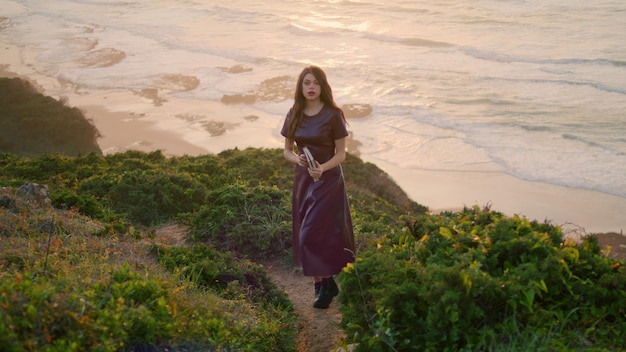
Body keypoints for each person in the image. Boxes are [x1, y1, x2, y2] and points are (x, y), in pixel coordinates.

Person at [280, 65, 355, 309]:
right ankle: (323, 286)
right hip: (304, 179)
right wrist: (298, 159)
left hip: (328, 181)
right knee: (308, 234)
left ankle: (326, 284)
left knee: (311, 234)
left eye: (315, 83)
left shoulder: (333, 114)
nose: (311, 87)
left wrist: (322, 168)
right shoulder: (295, 112)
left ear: (323, 86)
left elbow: (342, 154)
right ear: (300, 87)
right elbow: (287, 151)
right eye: (306, 83)